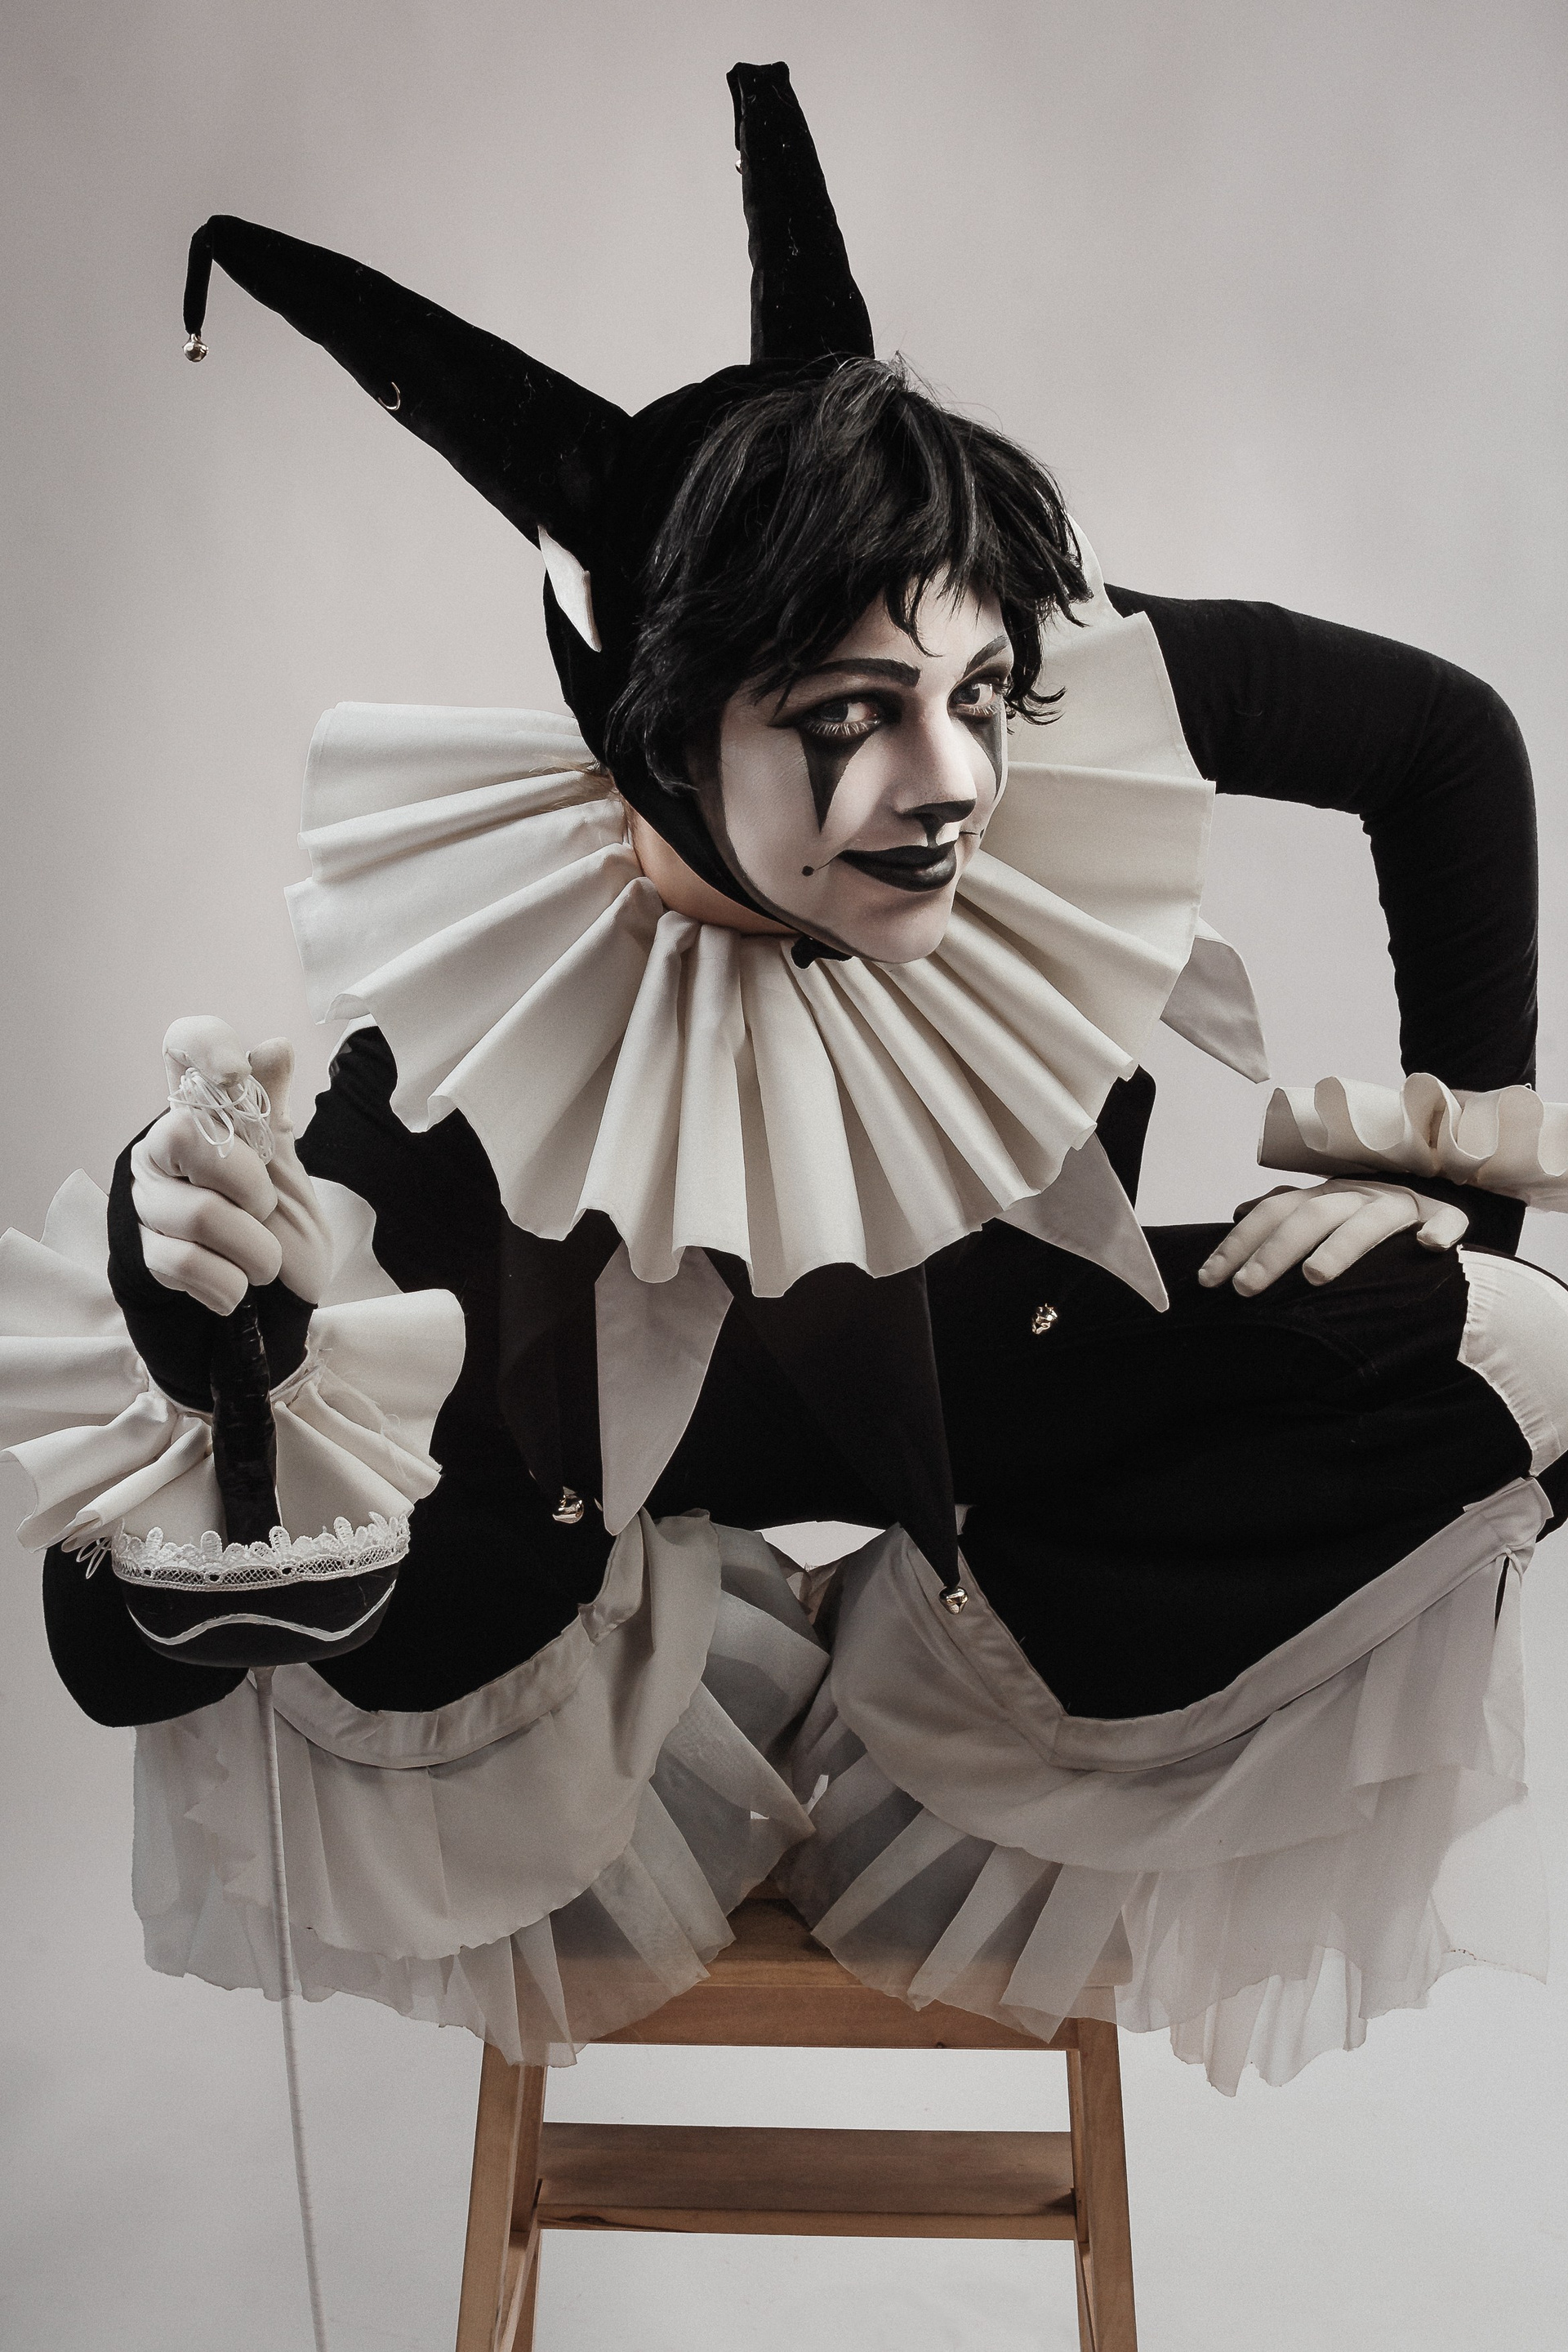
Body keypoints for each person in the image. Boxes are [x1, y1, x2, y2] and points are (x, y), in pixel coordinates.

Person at [3, 62, 1565, 2095]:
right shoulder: (478, 1020)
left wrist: (1451, 1191)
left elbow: (1446, 747)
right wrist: (220, 1333)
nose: (957, 780)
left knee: (1525, 1347)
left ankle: (969, 1687)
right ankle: (682, 1668)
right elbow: (119, 1660)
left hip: (1015, 1480)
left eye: (979, 693)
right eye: (848, 717)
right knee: (303, 1447)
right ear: (657, 734)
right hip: (592, 1568)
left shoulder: (1026, 694)